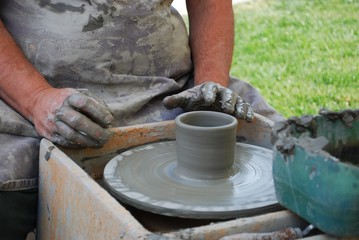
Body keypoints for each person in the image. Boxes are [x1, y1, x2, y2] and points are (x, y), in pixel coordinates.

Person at [0, 0, 283, 239]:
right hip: (33, 90)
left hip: (172, 89)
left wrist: (209, 82)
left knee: (290, 158)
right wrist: (36, 98)